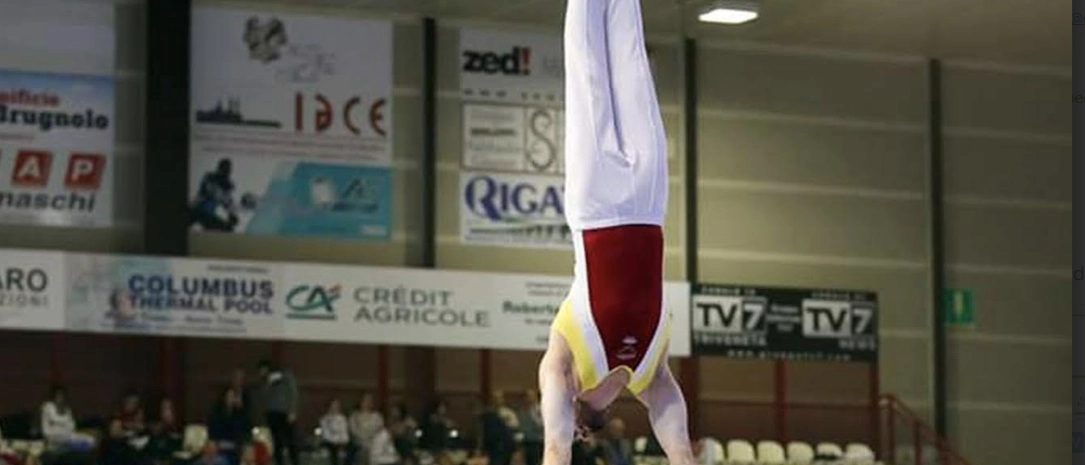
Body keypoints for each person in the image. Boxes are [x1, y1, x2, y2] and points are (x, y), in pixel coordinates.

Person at [538, 2, 695, 465]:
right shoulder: (647, 372)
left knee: (606, 70)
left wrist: (564, 430)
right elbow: (555, 446)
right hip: (634, 206)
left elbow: (555, 447)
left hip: (616, 207)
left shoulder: (584, 365)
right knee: (616, 66)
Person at [258, 360, 300, 465]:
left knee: (291, 442)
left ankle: (295, 462)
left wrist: (292, 410)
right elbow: (263, 397)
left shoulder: (286, 376)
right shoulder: (264, 382)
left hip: (285, 412)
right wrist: (267, 384)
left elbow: (293, 392)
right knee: (277, 442)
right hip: (272, 413)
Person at [189, 158, 239, 232]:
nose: (227, 171)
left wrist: (232, 214)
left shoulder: (227, 184)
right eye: (224, 168)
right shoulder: (209, 177)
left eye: (228, 169)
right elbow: (214, 193)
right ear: (219, 168)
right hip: (195, 210)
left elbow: (228, 201)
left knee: (228, 229)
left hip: (208, 215)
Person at [209, 387, 253, 465]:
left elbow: (245, 434)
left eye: (234, 397)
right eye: (229, 397)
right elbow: (212, 433)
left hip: (234, 450)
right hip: (217, 447)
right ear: (224, 398)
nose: (232, 399)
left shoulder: (241, 415)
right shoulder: (216, 414)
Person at [348, 393, 383, 465]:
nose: (368, 403)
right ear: (361, 402)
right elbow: (354, 431)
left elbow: (379, 430)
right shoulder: (354, 416)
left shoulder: (377, 416)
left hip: (374, 442)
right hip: (359, 442)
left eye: (370, 401)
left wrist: (371, 438)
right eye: (366, 400)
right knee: (364, 450)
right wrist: (364, 438)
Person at [320, 399, 350, 465]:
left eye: (336, 406)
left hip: (341, 442)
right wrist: (335, 441)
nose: (335, 408)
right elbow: (326, 435)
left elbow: (344, 432)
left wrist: (342, 441)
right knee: (333, 450)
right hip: (329, 442)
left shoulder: (343, 419)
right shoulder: (324, 419)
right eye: (333, 406)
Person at [518, 390, 544, 465]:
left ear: (535, 397)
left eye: (530, 396)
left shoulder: (540, 409)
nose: (528, 399)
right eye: (527, 397)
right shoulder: (523, 410)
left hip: (537, 441)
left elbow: (542, 423)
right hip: (527, 441)